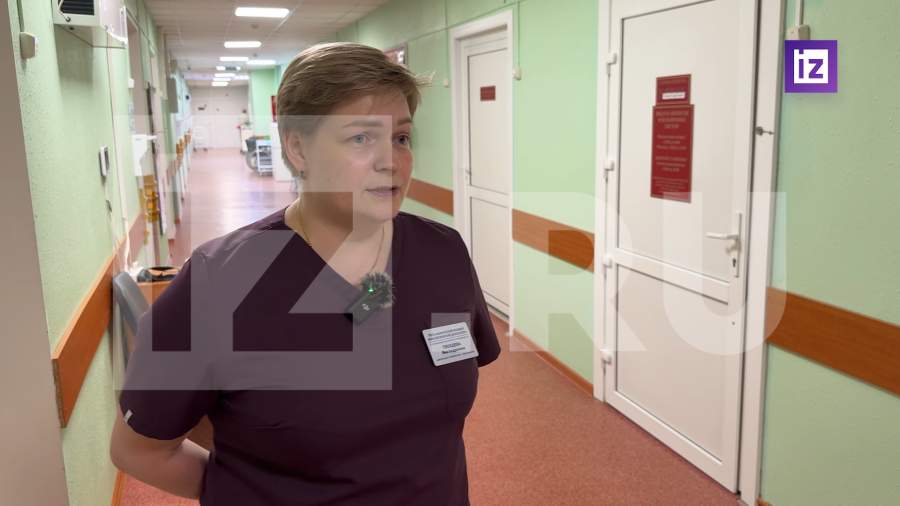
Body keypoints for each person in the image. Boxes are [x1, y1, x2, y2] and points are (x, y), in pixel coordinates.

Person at [110, 42, 502, 505]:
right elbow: (139, 450)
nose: (391, 161)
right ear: (298, 148)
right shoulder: (220, 282)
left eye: (400, 138)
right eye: (361, 138)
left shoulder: (442, 253)